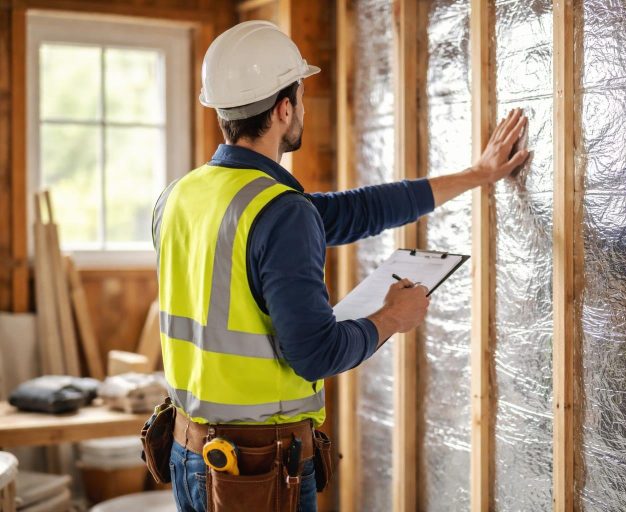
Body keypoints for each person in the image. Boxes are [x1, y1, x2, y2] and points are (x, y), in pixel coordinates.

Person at [152, 20, 528, 512]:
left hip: (190, 451)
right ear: (284, 109)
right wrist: (393, 316)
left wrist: (476, 175)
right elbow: (314, 354)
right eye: (301, 98)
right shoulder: (280, 212)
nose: (302, 108)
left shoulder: (179, 196)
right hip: (255, 469)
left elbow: (357, 210)